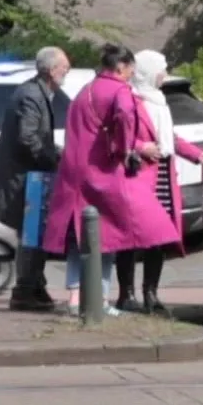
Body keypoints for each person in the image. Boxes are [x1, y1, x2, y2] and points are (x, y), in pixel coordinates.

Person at [42, 44, 169, 316]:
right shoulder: (119, 90)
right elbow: (124, 115)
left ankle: (76, 296)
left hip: (74, 172)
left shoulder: (85, 90)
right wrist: (126, 151)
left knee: (80, 235)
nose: (130, 76)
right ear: (121, 67)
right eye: (130, 71)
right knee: (110, 234)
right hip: (102, 172)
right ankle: (99, 298)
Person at [116, 49, 203, 315]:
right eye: (161, 69)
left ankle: (151, 293)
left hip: (164, 177)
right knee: (132, 240)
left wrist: (196, 154)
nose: (165, 75)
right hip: (141, 177)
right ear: (147, 71)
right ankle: (127, 294)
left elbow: (170, 138)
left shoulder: (160, 102)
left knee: (159, 239)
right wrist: (141, 147)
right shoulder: (131, 101)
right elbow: (117, 135)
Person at [0, 46, 69, 312]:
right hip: (22, 181)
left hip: (27, 177)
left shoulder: (37, 92)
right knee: (31, 234)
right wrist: (54, 158)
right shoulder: (31, 95)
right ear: (52, 70)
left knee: (34, 234)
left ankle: (35, 286)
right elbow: (28, 138)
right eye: (65, 68)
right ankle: (24, 291)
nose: (67, 72)